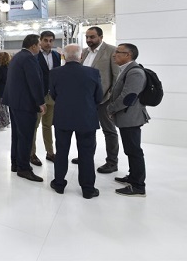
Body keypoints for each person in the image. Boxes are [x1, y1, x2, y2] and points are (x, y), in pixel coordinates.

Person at [49, 44, 103, 199]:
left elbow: (53, 95)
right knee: (86, 154)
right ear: (81, 57)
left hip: (63, 117)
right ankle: (88, 189)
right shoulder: (93, 73)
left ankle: (59, 184)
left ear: (64, 57)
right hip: (86, 118)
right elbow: (98, 97)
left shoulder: (54, 73)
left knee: (61, 152)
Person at [73, 26, 120, 173]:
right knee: (86, 130)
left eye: (92, 37)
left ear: (100, 37)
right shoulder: (85, 52)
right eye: (87, 37)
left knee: (109, 131)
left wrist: (110, 97)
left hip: (104, 100)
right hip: (85, 101)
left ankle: (112, 162)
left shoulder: (112, 51)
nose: (88, 40)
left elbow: (116, 77)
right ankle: (86, 156)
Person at [107, 43, 149, 197]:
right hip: (126, 117)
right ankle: (132, 177)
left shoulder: (135, 72)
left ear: (128, 55)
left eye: (118, 52)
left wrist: (111, 108)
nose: (114, 54)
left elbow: (128, 97)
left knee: (134, 151)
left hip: (131, 118)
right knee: (130, 149)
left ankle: (138, 185)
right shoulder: (126, 70)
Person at [3, 34, 46, 182]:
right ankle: (24, 168)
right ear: (33, 46)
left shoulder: (17, 57)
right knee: (26, 136)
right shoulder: (29, 58)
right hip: (25, 104)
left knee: (17, 135)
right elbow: (34, 82)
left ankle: (16, 164)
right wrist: (41, 102)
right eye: (39, 45)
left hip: (14, 102)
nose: (40, 48)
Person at [31, 31, 61, 166]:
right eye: (45, 40)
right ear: (40, 41)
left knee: (48, 126)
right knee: (34, 126)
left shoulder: (56, 55)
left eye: (51, 40)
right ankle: (31, 154)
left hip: (52, 96)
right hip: (39, 96)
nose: (48, 43)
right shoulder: (34, 56)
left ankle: (50, 152)